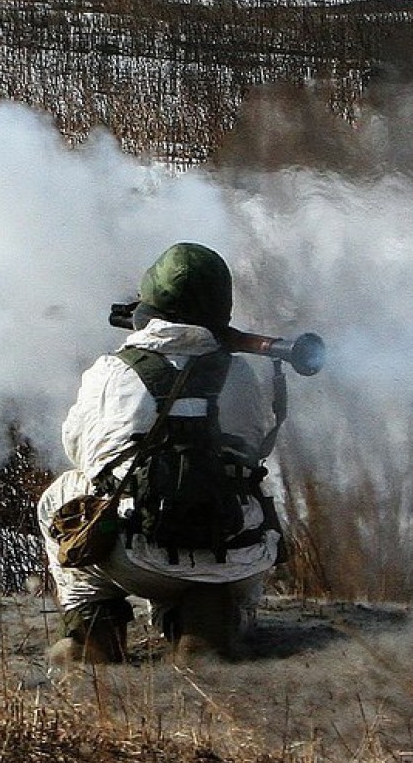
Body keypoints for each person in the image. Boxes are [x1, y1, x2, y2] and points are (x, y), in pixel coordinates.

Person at [37, 243, 282, 665]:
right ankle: (205, 621)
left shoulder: (111, 372)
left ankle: (93, 633)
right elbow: (256, 447)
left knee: (62, 496)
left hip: (138, 555)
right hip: (234, 550)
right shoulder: (240, 373)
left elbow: (78, 447)